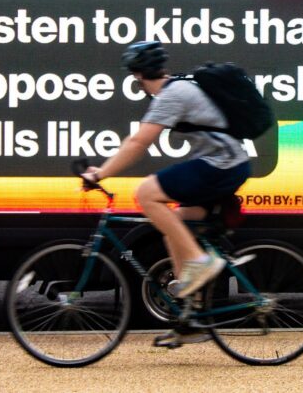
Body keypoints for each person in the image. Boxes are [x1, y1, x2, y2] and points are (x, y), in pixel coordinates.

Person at [82, 40, 252, 298]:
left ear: (137, 75)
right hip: (229, 164)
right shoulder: (178, 88)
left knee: (147, 193)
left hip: (223, 164)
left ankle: (200, 261)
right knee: (175, 223)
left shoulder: (173, 95)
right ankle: (190, 313)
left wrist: (99, 174)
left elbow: (138, 142)